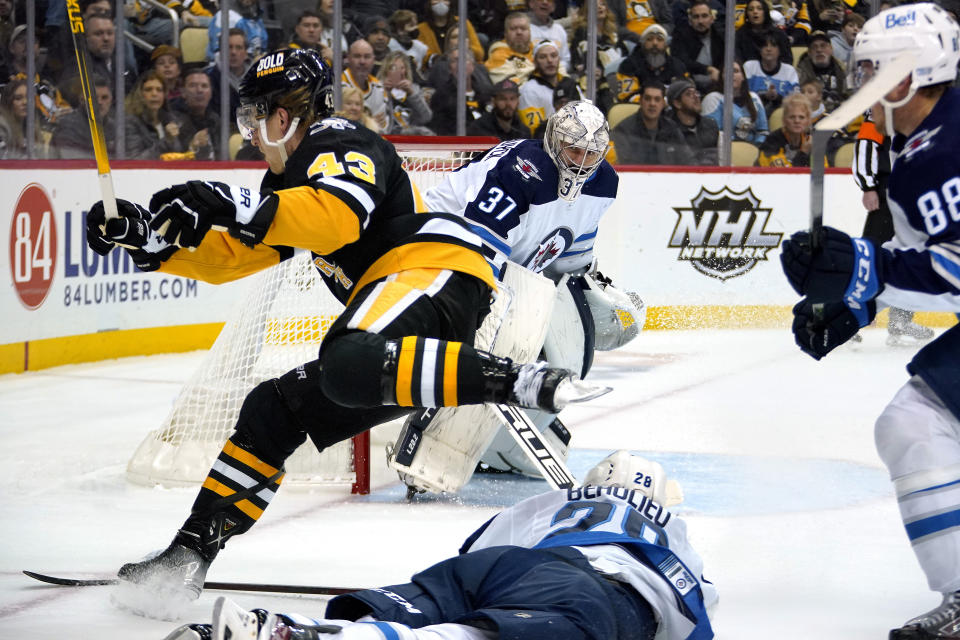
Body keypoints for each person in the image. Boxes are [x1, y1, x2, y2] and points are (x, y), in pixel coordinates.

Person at [87, 49, 599, 611]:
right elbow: (235, 255)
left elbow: (336, 215)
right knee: (274, 410)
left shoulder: (338, 140)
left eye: (256, 117)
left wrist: (228, 203)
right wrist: (147, 241)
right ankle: (187, 556)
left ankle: (519, 382)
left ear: (285, 114)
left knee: (347, 360)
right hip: (404, 315)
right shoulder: (289, 184)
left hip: (434, 269)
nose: (251, 133)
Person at [778, 5, 960, 637]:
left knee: (916, 421)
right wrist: (854, 298)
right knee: (913, 421)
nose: (865, 83)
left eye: (876, 70)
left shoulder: (948, 147)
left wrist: (869, 268)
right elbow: (928, 266)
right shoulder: (914, 154)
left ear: (912, 73)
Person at [163, 451, 716, 640]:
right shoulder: (671, 528)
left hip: (510, 565)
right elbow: (702, 603)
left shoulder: (558, 501)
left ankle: (268, 626)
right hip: (599, 593)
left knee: (439, 610)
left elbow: (477, 550)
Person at [390, 101, 640, 493]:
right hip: (437, 247)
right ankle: (438, 438)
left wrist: (587, 296)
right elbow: (477, 248)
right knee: (498, 335)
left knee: (559, 329)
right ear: (554, 142)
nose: (582, 163)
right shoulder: (524, 169)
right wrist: (483, 316)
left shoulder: (605, 183)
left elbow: (570, 258)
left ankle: (508, 445)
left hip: (511, 268)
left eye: (592, 154)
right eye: (574, 151)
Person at [852, 115, 935, 347]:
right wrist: (868, 185)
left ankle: (900, 320)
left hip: (915, 189)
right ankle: (846, 318)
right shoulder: (885, 102)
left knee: (910, 256)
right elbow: (866, 144)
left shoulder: (922, 100)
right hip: (889, 189)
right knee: (871, 257)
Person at [611, 80, 694, 165]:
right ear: (640, 101)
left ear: (663, 103)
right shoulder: (623, 131)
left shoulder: (671, 128)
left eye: (657, 99)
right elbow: (625, 169)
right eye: (647, 99)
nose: (652, 103)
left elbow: (688, 162)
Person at [426, 48, 493, 135]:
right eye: (455, 61)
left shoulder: (485, 93)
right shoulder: (441, 96)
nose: (460, 64)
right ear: (449, 68)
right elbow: (439, 129)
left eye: (464, 59)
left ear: (472, 65)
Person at [700, 59, 769, 143]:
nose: (731, 75)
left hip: (753, 151)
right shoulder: (713, 99)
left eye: (735, 71)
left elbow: (763, 131)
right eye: (727, 72)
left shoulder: (754, 98)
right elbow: (712, 134)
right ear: (721, 77)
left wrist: (757, 148)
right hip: (725, 152)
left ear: (743, 76)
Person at [616, 23, 688, 103]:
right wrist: (659, 102)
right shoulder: (628, 65)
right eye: (649, 39)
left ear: (665, 45)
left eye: (659, 39)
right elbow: (628, 96)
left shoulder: (677, 65)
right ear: (643, 43)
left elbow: (684, 93)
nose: (655, 43)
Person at [50, 73, 116, 159]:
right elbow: (74, 165)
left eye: (104, 97)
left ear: (111, 100)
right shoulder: (68, 127)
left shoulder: (115, 128)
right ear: (82, 100)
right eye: (94, 98)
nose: (99, 102)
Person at [123, 69, 185, 160]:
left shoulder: (171, 120)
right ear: (140, 94)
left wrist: (195, 146)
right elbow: (136, 160)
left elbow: (180, 156)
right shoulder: (130, 123)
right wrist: (167, 140)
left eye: (159, 90)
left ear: (164, 95)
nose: (154, 94)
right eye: (148, 90)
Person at [518, 39, 575, 135]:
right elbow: (533, 131)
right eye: (543, 57)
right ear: (535, 61)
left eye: (553, 56)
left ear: (559, 59)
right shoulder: (529, 90)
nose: (549, 60)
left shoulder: (570, 85)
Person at [671, 0, 725, 95]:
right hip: (689, 86)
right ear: (690, 20)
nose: (700, 21)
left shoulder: (720, 36)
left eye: (704, 16)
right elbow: (681, 61)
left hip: (717, 85)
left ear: (712, 19)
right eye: (696, 17)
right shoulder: (680, 35)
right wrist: (708, 69)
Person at [743, 31, 800, 116]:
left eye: (773, 46)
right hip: (751, 114)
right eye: (765, 46)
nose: (768, 49)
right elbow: (742, 96)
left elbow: (796, 101)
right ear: (760, 49)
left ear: (780, 50)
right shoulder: (749, 67)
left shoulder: (789, 71)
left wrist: (777, 97)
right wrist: (764, 95)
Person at [169, 67, 220, 160]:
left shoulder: (215, 120)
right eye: (193, 85)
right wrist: (192, 148)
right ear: (183, 92)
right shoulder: (172, 120)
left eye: (204, 86)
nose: (199, 90)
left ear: (211, 93)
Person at [377, 50, 433, 135]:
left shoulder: (414, 89)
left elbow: (426, 117)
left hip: (412, 137)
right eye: (393, 67)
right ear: (386, 70)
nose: (398, 71)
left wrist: (411, 93)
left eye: (402, 68)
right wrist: (384, 93)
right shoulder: (376, 89)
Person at [665, 78, 718, 165]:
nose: (696, 97)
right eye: (689, 94)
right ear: (677, 103)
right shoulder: (668, 130)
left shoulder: (710, 125)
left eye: (696, 92)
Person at [418, 0, 485, 68]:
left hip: (465, 67)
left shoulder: (464, 23)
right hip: (436, 70)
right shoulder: (421, 28)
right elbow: (423, 56)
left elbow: (479, 54)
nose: (440, 2)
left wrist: (466, 49)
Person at [342, 39, 390, 132]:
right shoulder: (337, 86)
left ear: (373, 59)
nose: (362, 61)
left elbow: (382, 126)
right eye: (357, 56)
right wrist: (368, 123)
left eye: (367, 57)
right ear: (348, 58)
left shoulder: (378, 87)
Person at [794, 30, 847, 112]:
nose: (819, 50)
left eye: (823, 46)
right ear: (809, 52)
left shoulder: (842, 69)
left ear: (831, 49)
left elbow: (849, 94)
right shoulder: (799, 74)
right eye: (814, 47)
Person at [755, 92, 812, 166]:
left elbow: (823, 170)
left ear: (807, 121)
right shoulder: (772, 141)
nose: (797, 121)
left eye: (801, 117)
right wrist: (803, 152)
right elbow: (783, 175)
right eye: (792, 117)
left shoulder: (810, 141)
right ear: (784, 120)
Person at [206, 28, 249, 121]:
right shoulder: (209, 80)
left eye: (239, 47)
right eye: (229, 47)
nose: (233, 52)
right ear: (221, 52)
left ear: (246, 53)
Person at [734, 0, 793, 64]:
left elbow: (787, 59)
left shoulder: (778, 34)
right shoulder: (740, 35)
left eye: (759, 9)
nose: (755, 12)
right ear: (747, 14)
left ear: (765, 12)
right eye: (751, 9)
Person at [485, 11, 535, 84]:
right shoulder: (498, 55)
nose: (519, 32)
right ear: (505, 33)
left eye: (523, 28)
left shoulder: (539, 52)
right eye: (513, 29)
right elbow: (509, 87)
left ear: (530, 32)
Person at [528, 0, 571, 73]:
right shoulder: (524, 29)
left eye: (549, 0)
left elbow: (566, 59)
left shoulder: (559, 29)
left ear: (553, 7)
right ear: (531, 3)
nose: (545, 2)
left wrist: (553, 72)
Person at [388, 9, 429, 74]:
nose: (415, 28)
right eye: (411, 25)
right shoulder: (390, 46)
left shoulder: (420, 47)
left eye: (416, 24)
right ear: (399, 29)